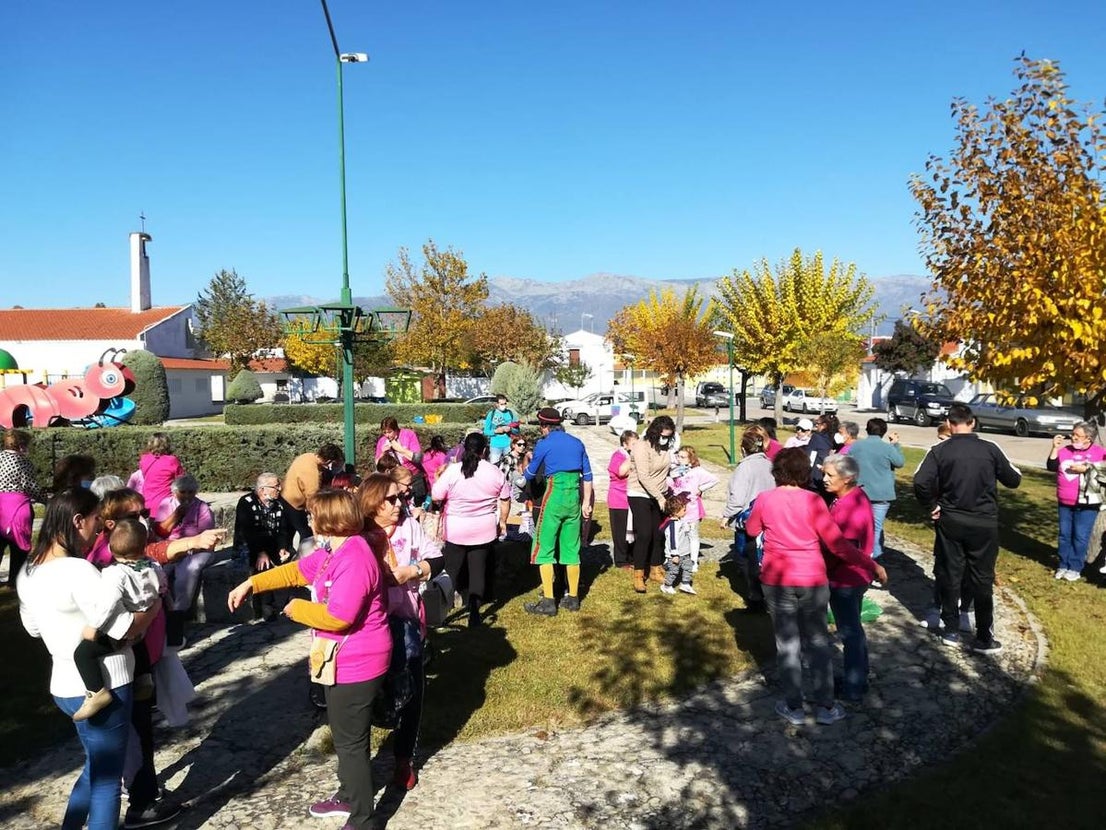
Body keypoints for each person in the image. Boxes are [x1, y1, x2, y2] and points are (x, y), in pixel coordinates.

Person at [228, 489, 391, 830]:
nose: (308, 520)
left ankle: (364, 819)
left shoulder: (355, 556)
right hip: (340, 659)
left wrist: (296, 609)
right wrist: (252, 584)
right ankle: (348, 795)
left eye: (312, 515)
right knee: (345, 735)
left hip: (358, 660)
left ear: (329, 520)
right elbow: (296, 572)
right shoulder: (335, 549)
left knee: (351, 742)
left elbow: (340, 616)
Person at [18, 488, 177, 830]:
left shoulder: (28, 571)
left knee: (95, 768)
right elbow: (125, 630)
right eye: (94, 522)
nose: (99, 531)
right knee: (107, 782)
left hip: (63, 685)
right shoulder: (80, 571)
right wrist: (152, 609)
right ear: (78, 521)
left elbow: (32, 628)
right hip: (107, 685)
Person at [744, 448, 886, 727]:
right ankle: (826, 706)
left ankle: (794, 706)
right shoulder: (814, 502)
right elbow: (838, 545)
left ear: (776, 472)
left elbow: (751, 530)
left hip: (777, 579)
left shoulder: (765, 499)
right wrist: (872, 565)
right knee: (818, 641)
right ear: (804, 473)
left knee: (787, 643)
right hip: (811, 577)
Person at [357, 473, 445, 792]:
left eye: (401, 498)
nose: (399, 504)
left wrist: (414, 570)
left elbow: (437, 557)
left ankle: (403, 759)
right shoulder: (357, 533)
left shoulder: (408, 525)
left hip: (406, 619)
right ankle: (358, 767)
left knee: (412, 688)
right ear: (371, 503)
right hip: (367, 627)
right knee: (367, 697)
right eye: (391, 499)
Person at [913, 403, 1022, 653]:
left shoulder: (939, 450)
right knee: (982, 577)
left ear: (950, 424)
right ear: (972, 422)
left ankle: (951, 631)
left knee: (950, 573)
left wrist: (931, 505)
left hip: (951, 520)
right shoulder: (990, 449)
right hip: (983, 522)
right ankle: (984, 636)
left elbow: (920, 481)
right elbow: (1014, 479)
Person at [71, 518, 164, 721]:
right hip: (142, 624)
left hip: (120, 630)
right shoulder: (153, 565)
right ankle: (144, 677)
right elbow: (162, 586)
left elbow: (108, 605)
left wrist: (93, 627)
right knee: (139, 644)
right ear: (143, 546)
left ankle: (96, 692)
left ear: (111, 549)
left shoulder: (115, 574)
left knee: (83, 653)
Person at [521, 407, 594, 614]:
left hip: (554, 495)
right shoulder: (577, 443)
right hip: (574, 498)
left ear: (544, 426)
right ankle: (573, 598)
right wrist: (586, 502)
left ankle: (548, 601)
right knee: (572, 549)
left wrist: (519, 478)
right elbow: (588, 476)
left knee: (543, 548)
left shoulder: (544, 444)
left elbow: (531, 472)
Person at [431, 432, 510, 626]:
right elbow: (506, 499)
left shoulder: (453, 470)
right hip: (484, 529)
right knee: (478, 571)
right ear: (485, 450)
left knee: (450, 571)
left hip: (456, 528)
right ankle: (474, 612)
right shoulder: (494, 471)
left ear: (464, 448)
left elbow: (436, 495)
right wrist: (503, 521)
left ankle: (442, 611)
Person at [822, 454, 876, 702]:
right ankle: (861, 675)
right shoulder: (850, 497)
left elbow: (845, 550)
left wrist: (821, 565)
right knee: (854, 628)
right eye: (824, 473)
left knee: (849, 632)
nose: (824, 479)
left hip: (846, 579)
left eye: (830, 475)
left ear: (848, 478)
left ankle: (854, 685)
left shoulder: (850, 508)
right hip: (854, 576)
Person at [722, 426, 777, 613]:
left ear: (743, 448)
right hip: (768, 519)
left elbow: (737, 497)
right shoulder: (770, 464)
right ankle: (766, 593)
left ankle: (755, 596)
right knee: (762, 557)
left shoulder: (744, 467)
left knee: (744, 559)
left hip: (748, 519)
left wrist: (726, 515)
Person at [1046, 420, 1106, 580]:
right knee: (1064, 535)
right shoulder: (1065, 451)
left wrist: (1087, 468)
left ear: (1088, 438)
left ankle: (1075, 567)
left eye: (1077, 435)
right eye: (1073, 434)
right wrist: (1055, 447)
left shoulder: (1099, 452)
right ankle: (1063, 564)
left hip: (1087, 503)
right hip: (1065, 501)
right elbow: (1051, 466)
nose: (1073, 438)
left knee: (1080, 536)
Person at [234, 473, 296, 621]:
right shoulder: (247, 503)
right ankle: (267, 607)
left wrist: (283, 547)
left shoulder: (279, 503)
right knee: (263, 565)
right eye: (276, 486)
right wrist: (261, 552)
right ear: (262, 490)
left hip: (272, 545)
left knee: (291, 559)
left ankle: (291, 602)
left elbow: (283, 529)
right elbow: (249, 532)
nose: (279, 489)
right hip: (249, 546)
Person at [153, 474, 216, 618]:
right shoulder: (166, 504)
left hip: (198, 549)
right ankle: (162, 609)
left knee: (188, 569)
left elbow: (207, 537)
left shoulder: (202, 507)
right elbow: (160, 532)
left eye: (191, 492)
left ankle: (180, 611)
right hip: (171, 547)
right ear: (175, 492)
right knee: (160, 570)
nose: (187, 496)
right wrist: (176, 515)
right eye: (183, 492)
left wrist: (188, 548)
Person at [626, 416, 675, 593]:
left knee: (658, 533)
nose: (665, 439)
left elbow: (668, 468)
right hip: (639, 493)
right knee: (645, 534)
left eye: (668, 436)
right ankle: (639, 574)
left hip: (659, 494)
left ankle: (655, 568)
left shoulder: (666, 447)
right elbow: (643, 476)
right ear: (655, 432)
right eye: (663, 436)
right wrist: (659, 498)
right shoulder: (641, 446)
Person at [847, 417, 904, 563]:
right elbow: (900, 462)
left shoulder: (857, 446)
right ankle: (875, 560)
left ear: (867, 430)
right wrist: (896, 444)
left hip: (860, 492)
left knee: (859, 525)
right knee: (876, 528)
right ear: (884, 432)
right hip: (882, 493)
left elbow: (848, 463)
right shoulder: (887, 448)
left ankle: (859, 556)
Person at [0, 428, 48, 590]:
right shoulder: (23, 462)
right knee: (18, 547)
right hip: (17, 507)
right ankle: (13, 581)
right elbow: (30, 486)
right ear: (21, 446)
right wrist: (46, 501)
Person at [283, 442, 345, 548]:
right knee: (307, 534)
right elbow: (313, 496)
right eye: (335, 464)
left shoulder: (307, 456)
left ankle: (287, 553)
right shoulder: (312, 472)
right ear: (329, 461)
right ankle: (304, 556)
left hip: (287, 498)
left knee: (288, 533)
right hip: (294, 504)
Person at [669, 446, 718, 569]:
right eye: (678, 456)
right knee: (677, 533)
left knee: (693, 535)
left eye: (683, 457)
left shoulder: (697, 471)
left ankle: (693, 561)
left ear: (691, 459)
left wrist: (700, 489)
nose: (679, 459)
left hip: (692, 507)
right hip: (677, 507)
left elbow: (714, 480)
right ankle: (676, 557)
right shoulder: (675, 471)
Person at [375, 417, 428, 505]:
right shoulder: (382, 441)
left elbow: (418, 458)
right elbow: (378, 465)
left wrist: (400, 449)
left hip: (414, 477)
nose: (387, 435)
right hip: (396, 479)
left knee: (418, 502)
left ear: (396, 429)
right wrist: (383, 453)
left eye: (390, 432)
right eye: (384, 432)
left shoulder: (408, 434)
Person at [607, 430, 638, 570]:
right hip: (619, 499)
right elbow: (621, 472)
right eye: (633, 444)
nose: (636, 446)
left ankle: (632, 557)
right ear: (625, 444)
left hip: (633, 498)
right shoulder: (618, 456)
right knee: (620, 531)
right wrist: (631, 456)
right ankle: (621, 560)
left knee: (633, 530)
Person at [136, 433, 185, 514]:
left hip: (147, 502)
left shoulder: (144, 459)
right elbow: (181, 481)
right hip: (166, 504)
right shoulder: (172, 460)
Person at [660, 492, 696, 595]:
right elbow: (673, 540)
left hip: (685, 552)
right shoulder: (672, 526)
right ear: (676, 512)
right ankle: (666, 586)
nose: (686, 511)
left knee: (688, 568)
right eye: (684, 509)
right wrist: (674, 554)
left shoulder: (680, 521)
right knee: (673, 571)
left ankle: (685, 584)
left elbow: (685, 532)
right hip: (675, 554)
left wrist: (689, 527)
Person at [807, 414, 840, 495]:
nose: (816, 426)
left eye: (817, 424)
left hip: (816, 477)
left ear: (824, 425)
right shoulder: (837, 439)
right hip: (832, 477)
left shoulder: (816, 437)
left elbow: (809, 456)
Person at [483, 394, 519, 465]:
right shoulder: (491, 414)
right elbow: (486, 431)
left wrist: (510, 429)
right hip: (495, 446)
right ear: (497, 404)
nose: (504, 406)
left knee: (510, 466)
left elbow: (517, 430)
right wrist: (496, 431)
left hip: (508, 445)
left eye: (505, 403)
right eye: (501, 404)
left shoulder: (511, 413)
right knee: (494, 467)